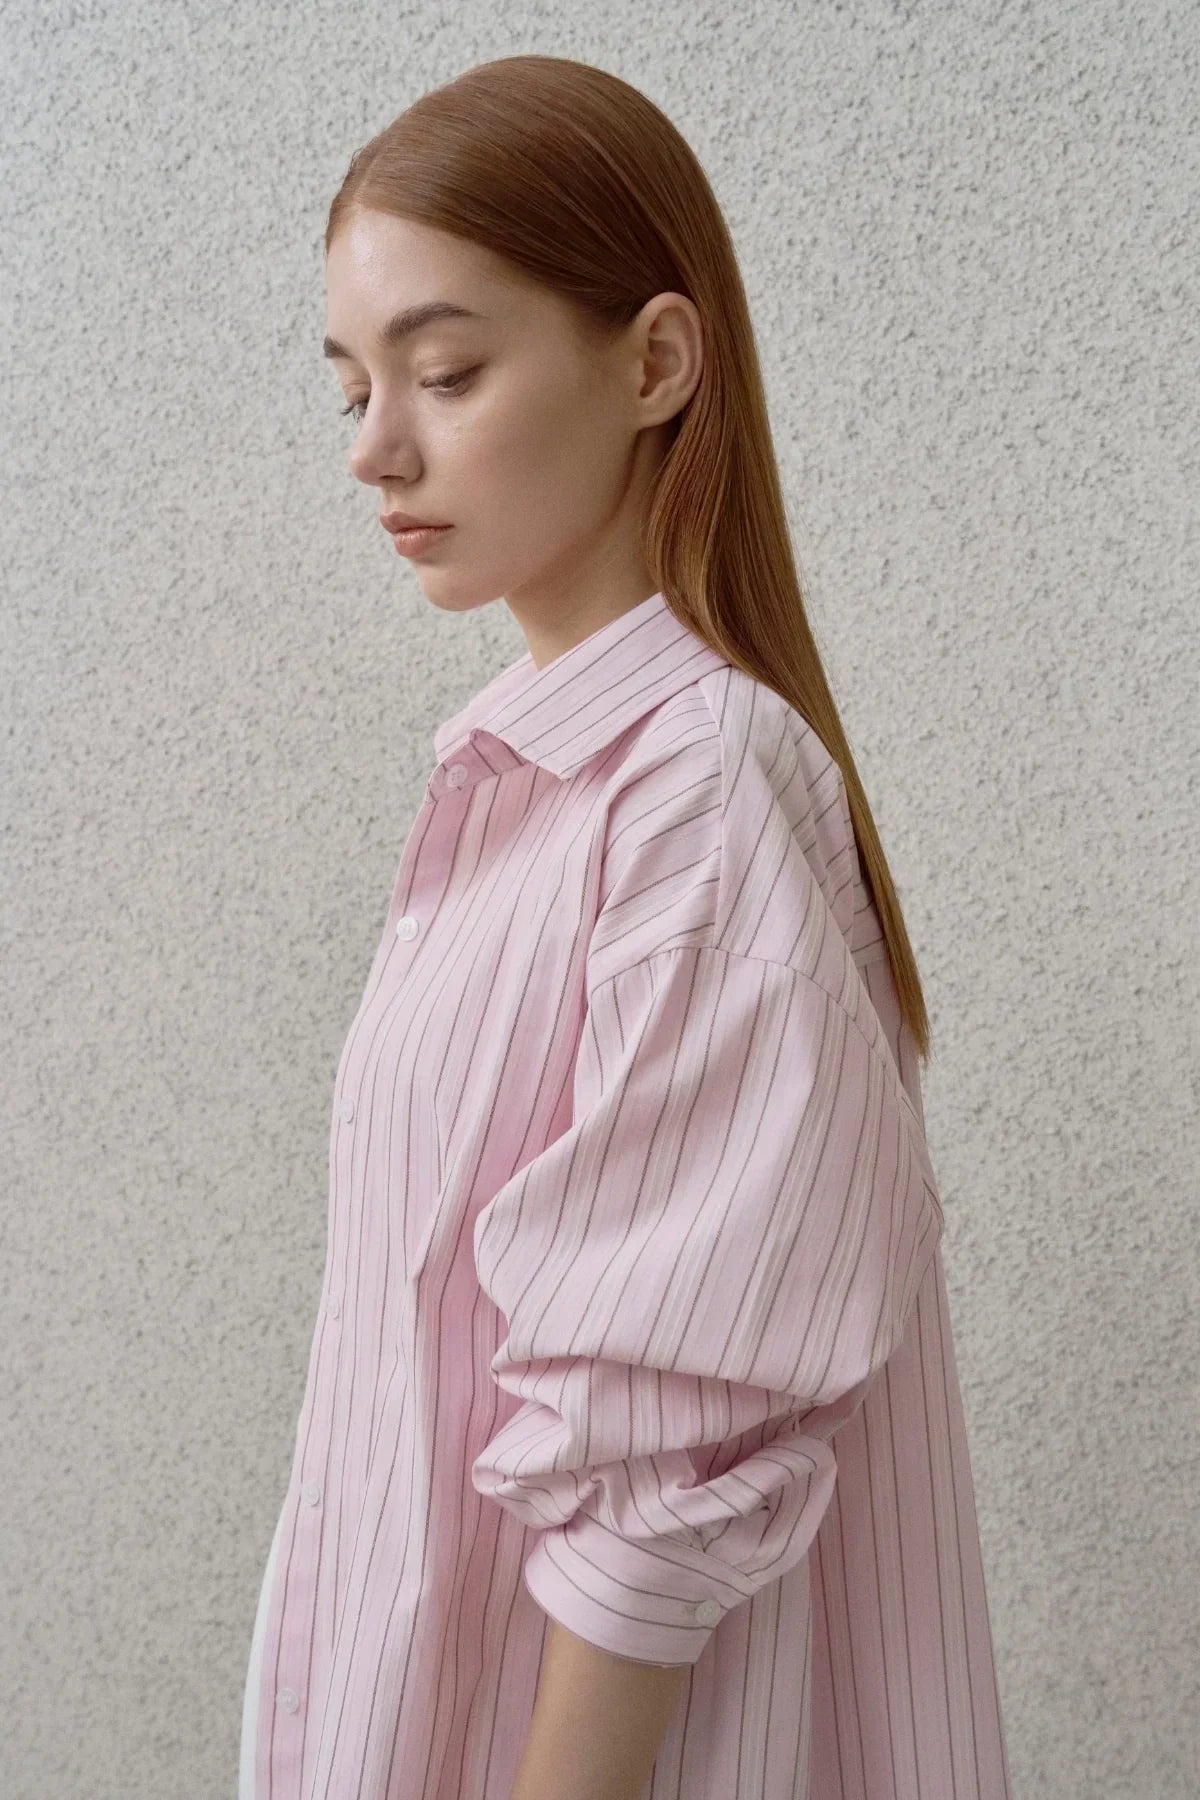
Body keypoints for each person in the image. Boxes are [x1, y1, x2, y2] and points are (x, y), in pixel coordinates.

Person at [239, 53, 1011, 1800]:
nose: (377, 447)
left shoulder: (693, 795)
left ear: (655, 362)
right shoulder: (520, 788)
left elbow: (668, 1482)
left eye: (446, 370)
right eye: (352, 383)